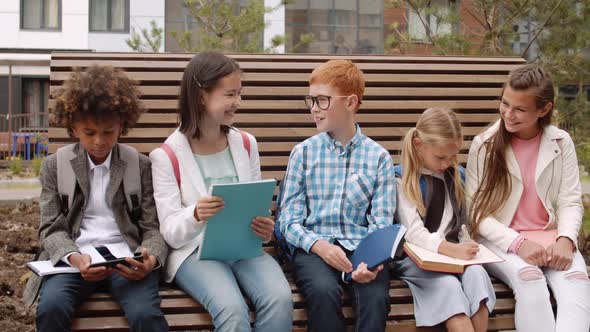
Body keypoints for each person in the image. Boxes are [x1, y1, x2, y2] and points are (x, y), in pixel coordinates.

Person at [149, 52, 292, 332]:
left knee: (280, 299)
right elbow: (169, 232)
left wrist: (263, 226)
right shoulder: (166, 156)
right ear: (202, 95)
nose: (237, 102)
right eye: (230, 94)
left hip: (242, 248)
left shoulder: (246, 144)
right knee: (232, 309)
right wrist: (195, 215)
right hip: (196, 253)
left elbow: (254, 206)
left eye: (239, 94)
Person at [23, 65, 169, 332]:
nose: (99, 141)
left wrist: (150, 258)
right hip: (75, 262)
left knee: (146, 316)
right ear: (73, 127)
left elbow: (152, 228)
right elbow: (50, 228)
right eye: (89, 132)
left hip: (126, 261)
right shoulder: (56, 166)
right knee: (51, 309)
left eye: (108, 132)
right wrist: (74, 257)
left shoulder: (139, 165)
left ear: (121, 125)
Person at [466, 64, 590, 331]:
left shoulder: (561, 142)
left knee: (578, 280)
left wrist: (566, 239)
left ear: (543, 110)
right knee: (530, 279)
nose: (508, 114)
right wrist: (519, 243)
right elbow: (476, 213)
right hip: (503, 238)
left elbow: (569, 200)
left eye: (520, 109)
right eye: (505, 103)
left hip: (550, 237)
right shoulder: (484, 145)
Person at [278, 59, 395, 332]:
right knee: (322, 292)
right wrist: (320, 246)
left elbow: (381, 223)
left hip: (362, 249)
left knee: (375, 297)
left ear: (350, 102)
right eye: (311, 101)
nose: (314, 110)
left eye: (322, 100)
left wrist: (371, 263)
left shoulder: (378, 158)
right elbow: (288, 221)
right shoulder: (303, 154)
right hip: (314, 248)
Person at [392, 107, 495, 331]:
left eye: (452, 156)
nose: (447, 163)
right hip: (417, 258)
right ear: (419, 145)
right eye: (441, 156)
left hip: (453, 254)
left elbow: (460, 223)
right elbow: (412, 232)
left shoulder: (456, 175)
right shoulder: (401, 179)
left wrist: (466, 242)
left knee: (477, 275)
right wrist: (448, 249)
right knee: (448, 287)